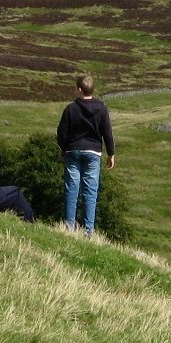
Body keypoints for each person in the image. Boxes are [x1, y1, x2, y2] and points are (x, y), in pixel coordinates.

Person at [55, 74, 115, 235]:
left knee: (71, 189)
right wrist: (111, 154)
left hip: (73, 151)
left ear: (79, 89)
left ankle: (69, 226)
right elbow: (107, 132)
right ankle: (88, 230)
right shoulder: (101, 108)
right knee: (90, 191)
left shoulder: (71, 108)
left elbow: (61, 133)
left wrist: (63, 148)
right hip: (93, 152)